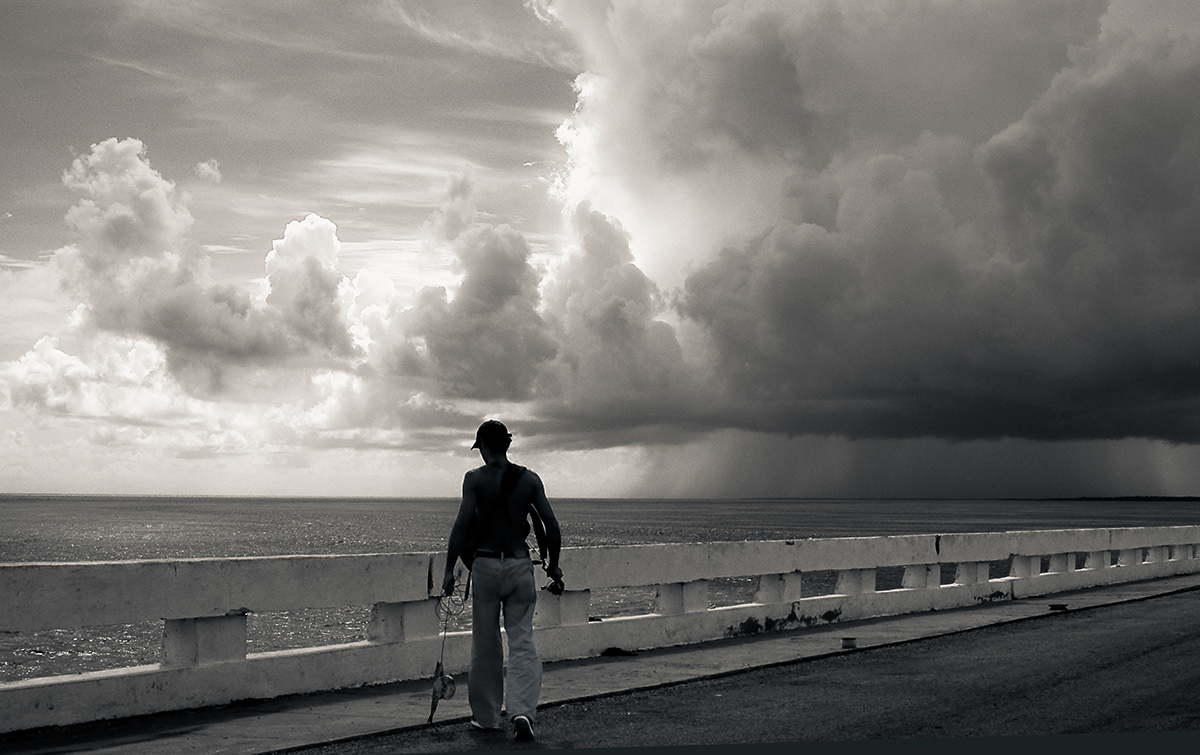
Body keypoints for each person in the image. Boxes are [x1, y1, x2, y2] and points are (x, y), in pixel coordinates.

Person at [442, 419, 563, 742]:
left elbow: (461, 526)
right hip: (520, 566)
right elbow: (552, 526)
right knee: (522, 641)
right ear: (507, 445)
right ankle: (522, 710)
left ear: (482, 446)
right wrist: (554, 566)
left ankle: (486, 717)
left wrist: (448, 571)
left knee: (485, 645)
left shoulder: (475, 479)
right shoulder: (529, 480)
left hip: (485, 567)